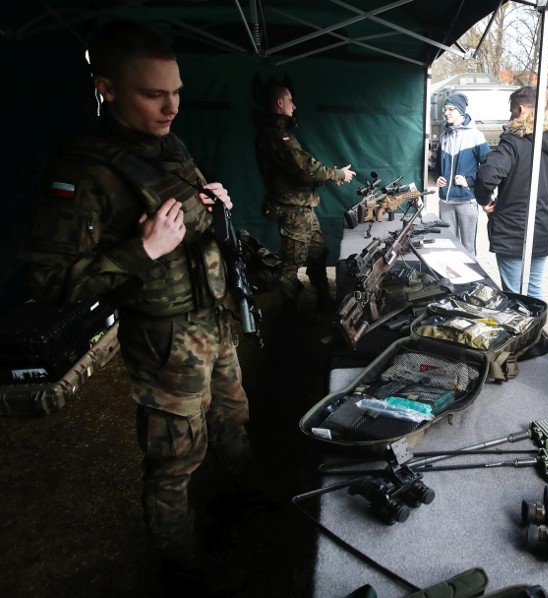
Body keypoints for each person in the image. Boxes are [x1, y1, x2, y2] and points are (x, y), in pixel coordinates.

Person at [20, 21, 258, 588]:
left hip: (212, 320)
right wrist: (141, 251)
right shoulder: (85, 172)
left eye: (176, 91)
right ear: (106, 89)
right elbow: (49, 282)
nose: (172, 105)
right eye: (155, 94)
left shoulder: (166, 146)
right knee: (175, 458)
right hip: (164, 342)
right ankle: (179, 563)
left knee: (234, 417)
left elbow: (187, 209)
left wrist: (210, 201)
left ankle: (245, 504)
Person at [255, 83, 356, 313]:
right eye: (290, 100)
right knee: (290, 267)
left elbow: (299, 173)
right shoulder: (276, 136)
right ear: (280, 103)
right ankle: (291, 315)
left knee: (318, 254)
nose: (294, 105)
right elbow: (304, 169)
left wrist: (329, 176)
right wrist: (338, 173)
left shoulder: (282, 134)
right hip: (293, 211)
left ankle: (323, 300)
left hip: (303, 209)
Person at [473, 86, 548, 300]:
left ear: (519, 109)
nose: (510, 117)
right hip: (541, 229)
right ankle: (536, 330)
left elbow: (487, 175)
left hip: (512, 232)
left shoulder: (513, 141)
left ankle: (524, 332)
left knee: (513, 295)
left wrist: (486, 199)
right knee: (534, 291)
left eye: (511, 111)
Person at [433, 92, 490, 255]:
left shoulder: (476, 136)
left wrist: (470, 181)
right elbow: (437, 166)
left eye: (451, 109)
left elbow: (489, 168)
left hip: (466, 200)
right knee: (447, 247)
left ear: (461, 111)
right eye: (445, 109)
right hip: (445, 201)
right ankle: (450, 280)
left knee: (467, 248)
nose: (446, 113)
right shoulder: (444, 136)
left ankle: (470, 280)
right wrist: (438, 178)